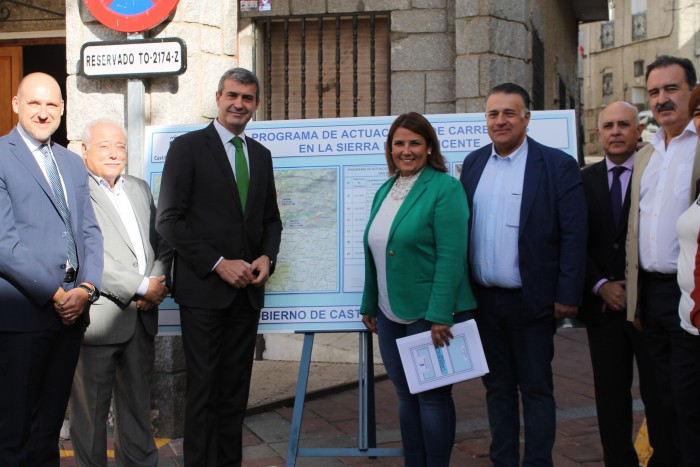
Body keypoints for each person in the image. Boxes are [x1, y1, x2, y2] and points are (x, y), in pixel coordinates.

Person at [156, 67, 283, 466]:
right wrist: (217, 264)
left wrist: (267, 257)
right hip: (204, 293)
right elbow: (168, 220)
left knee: (234, 395)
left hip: (246, 297)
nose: (238, 104)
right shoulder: (188, 147)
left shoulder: (260, 156)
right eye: (232, 96)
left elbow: (270, 221)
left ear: (256, 105)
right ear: (218, 98)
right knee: (204, 393)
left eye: (247, 98)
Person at [460, 83, 587, 466]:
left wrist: (568, 294)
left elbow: (574, 233)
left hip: (531, 301)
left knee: (535, 390)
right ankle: (503, 461)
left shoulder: (556, 165)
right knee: (496, 389)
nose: (500, 121)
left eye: (509, 113)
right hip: (485, 302)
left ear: (527, 119)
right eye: (493, 114)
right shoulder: (474, 164)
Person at [360, 112, 477, 467]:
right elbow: (374, 250)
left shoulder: (445, 187)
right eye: (399, 143)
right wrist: (370, 303)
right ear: (390, 148)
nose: (405, 150)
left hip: (430, 313)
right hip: (389, 311)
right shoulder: (387, 188)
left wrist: (441, 315)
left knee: (432, 396)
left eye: (414, 143)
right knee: (405, 395)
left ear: (429, 148)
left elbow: (452, 256)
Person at [0, 72, 103, 466]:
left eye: (52, 105)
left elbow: (90, 233)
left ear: (62, 109)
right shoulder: (2, 156)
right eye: (34, 104)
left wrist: (87, 287)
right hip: (23, 316)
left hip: (70, 316)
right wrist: (58, 294)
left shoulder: (72, 163)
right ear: (16, 105)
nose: (44, 113)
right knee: (14, 433)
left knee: (48, 431)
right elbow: (5, 244)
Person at [69, 119, 173, 467]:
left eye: (121, 146)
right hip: (98, 321)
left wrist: (156, 283)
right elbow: (88, 253)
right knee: (91, 417)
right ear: (84, 151)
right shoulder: (75, 190)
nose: (114, 153)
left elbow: (161, 243)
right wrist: (141, 286)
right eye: (104, 146)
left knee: (139, 411)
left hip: (141, 319)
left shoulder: (140, 188)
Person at [580, 101, 671, 466]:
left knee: (660, 393)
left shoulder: (656, 173)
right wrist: (600, 284)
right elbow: (574, 241)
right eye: (608, 126)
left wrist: (635, 287)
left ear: (638, 132)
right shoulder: (581, 179)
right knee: (610, 397)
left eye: (623, 125)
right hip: (602, 307)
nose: (615, 132)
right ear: (598, 133)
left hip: (647, 306)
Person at [626, 55, 700, 466]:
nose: (662, 99)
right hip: (650, 296)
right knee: (657, 395)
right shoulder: (647, 154)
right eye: (654, 92)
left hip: (689, 291)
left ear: (691, 91)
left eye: (671, 89)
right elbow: (634, 231)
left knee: (689, 397)